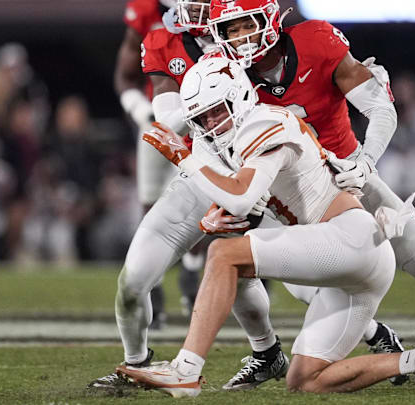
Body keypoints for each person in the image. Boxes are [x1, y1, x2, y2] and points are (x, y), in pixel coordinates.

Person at [206, 0, 415, 388]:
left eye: (243, 24)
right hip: (297, 196)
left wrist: (365, 163)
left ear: (268, 18)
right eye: (229, 30)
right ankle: (373, 335)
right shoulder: (228, 77)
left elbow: (381, 110)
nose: (238, 37)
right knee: (303, 285)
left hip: (350, 178)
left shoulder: (317, 41)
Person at [117, 57, 415, 397]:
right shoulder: (238, 141)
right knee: (306, 380)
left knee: (223, 254)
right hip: (349, 259)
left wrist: (182, 156)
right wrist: (208, 219)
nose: (211, 123)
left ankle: (186, 371)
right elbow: (244, 208)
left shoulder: (264, 123)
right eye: (202, 117)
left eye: (217, 110)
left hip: (351, 237)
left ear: (240, 97)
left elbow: (243, 197)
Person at [88, 1, 292, 392]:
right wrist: (211, 83)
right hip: (201, 171)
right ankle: (137, 364)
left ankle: (354, 336)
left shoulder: (246, 29)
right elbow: (167, 122)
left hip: (260, 169)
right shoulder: (163, 41)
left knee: (298, 278)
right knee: (132, 283)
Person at [115, 0, 173, 329]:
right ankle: (152, 287)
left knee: (212, 204)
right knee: (150, 206)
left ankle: (195, 278)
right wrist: (143, 113)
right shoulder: (146, 14)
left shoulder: (215, 14)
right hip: (157, 121)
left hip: (205, 123)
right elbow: (124, 77)